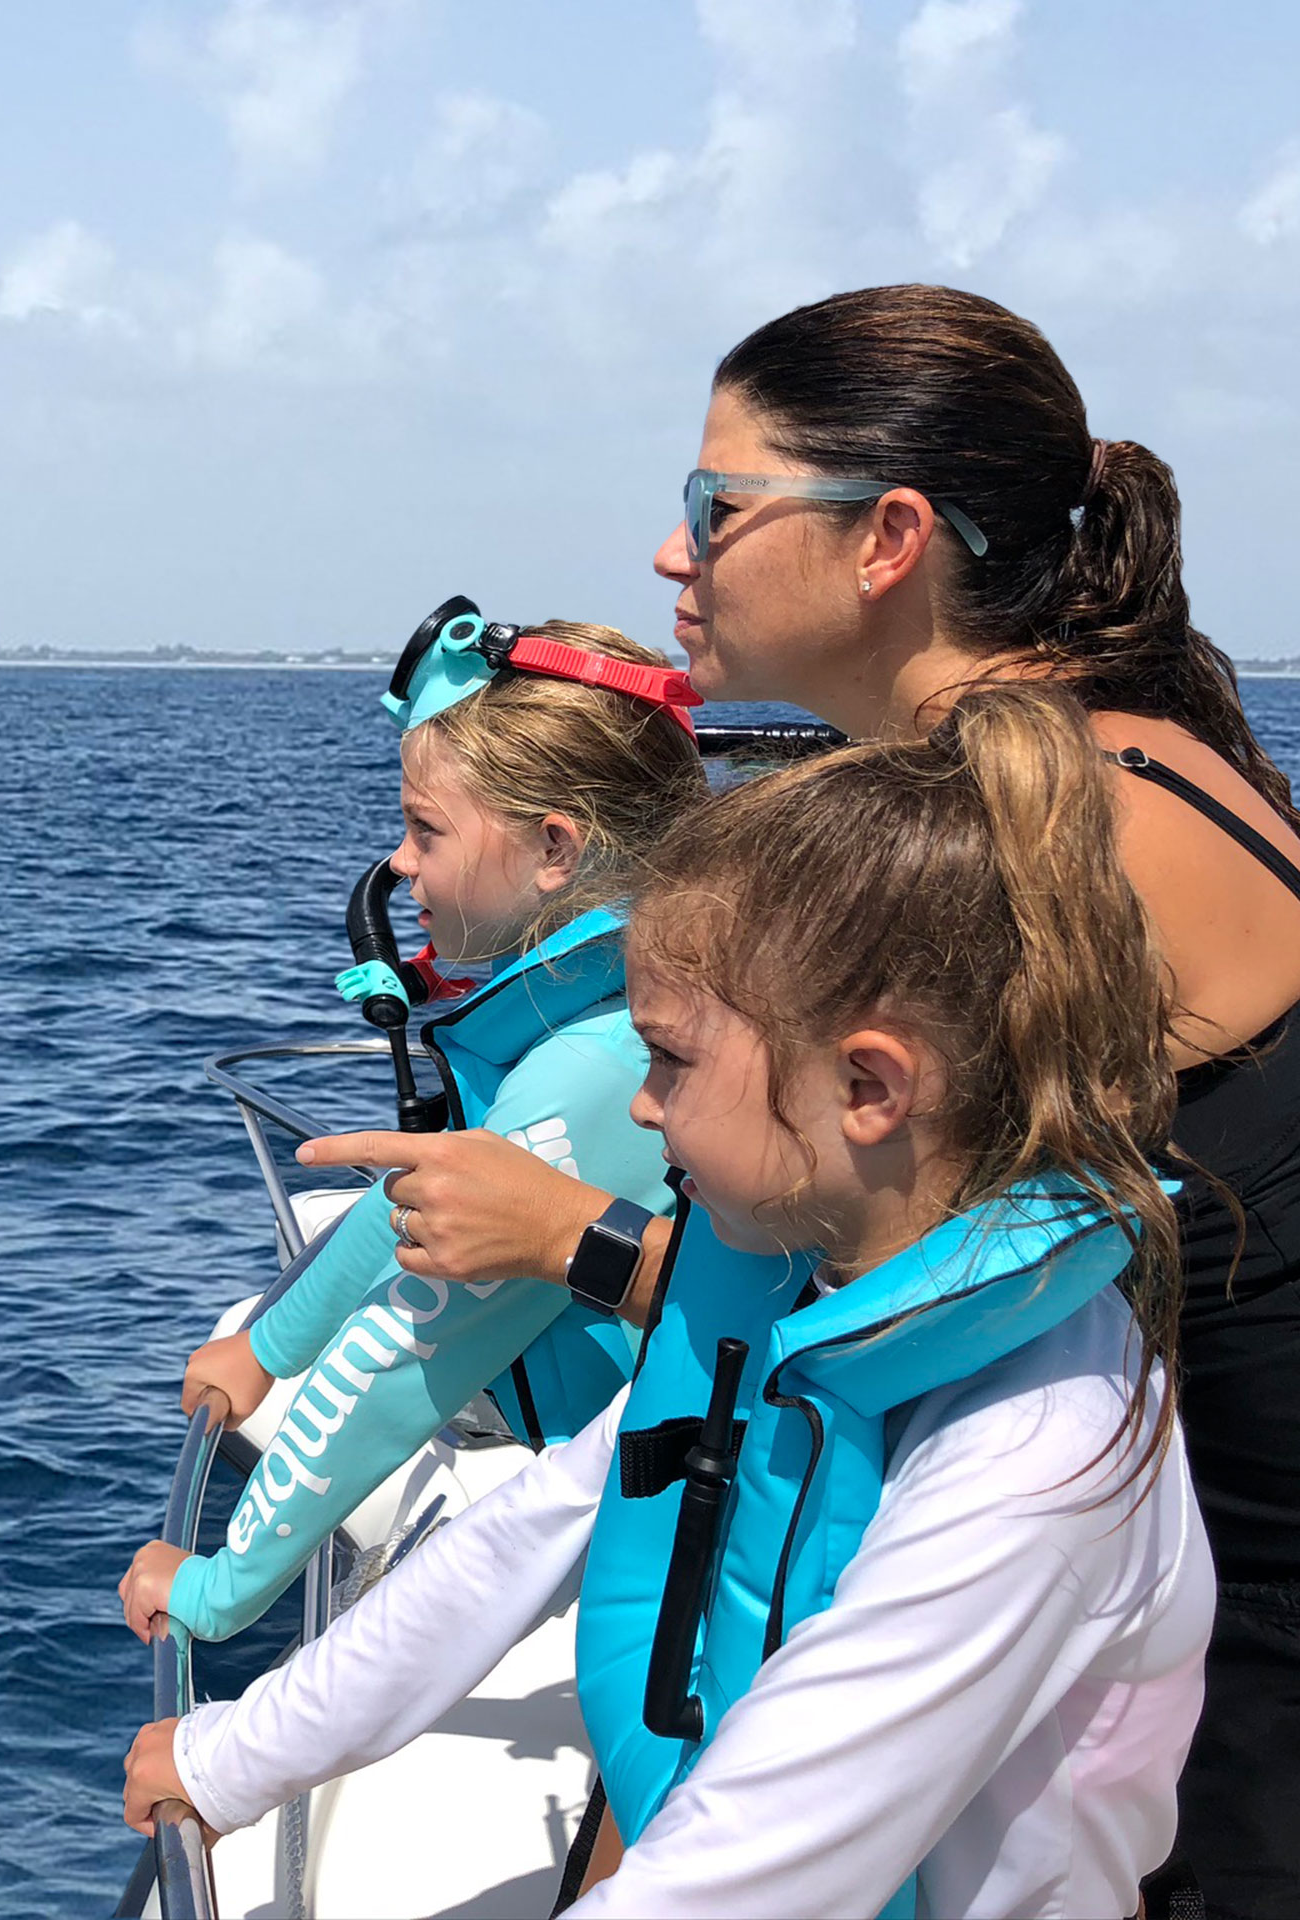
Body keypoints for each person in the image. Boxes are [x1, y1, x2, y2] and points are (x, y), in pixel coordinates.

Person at [298, 284, 1300, 1918]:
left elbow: (811, 1357)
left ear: (887, 538)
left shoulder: (1001, 860)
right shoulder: (1140, 754)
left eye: (718, 507)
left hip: (1220, 1748)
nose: (672, 555)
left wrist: (571, 1240)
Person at [126, 684, 1215, 1918]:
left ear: (869, 1088)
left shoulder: (1033, 1457)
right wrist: (232, 1753)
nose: (642, 1110)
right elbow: (536, 1525)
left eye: (673, 1060)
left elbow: (745, 1873)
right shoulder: (783, 1277)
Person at [116, 616, 705, 1646]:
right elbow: (419, 1214)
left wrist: (219, 1588)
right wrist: (266, 1346)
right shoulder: (603, 1012)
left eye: (425, 831)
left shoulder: (594, 1069)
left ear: (555, 850)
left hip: (646, 1534)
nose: (400, 863)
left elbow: (404, 1351)